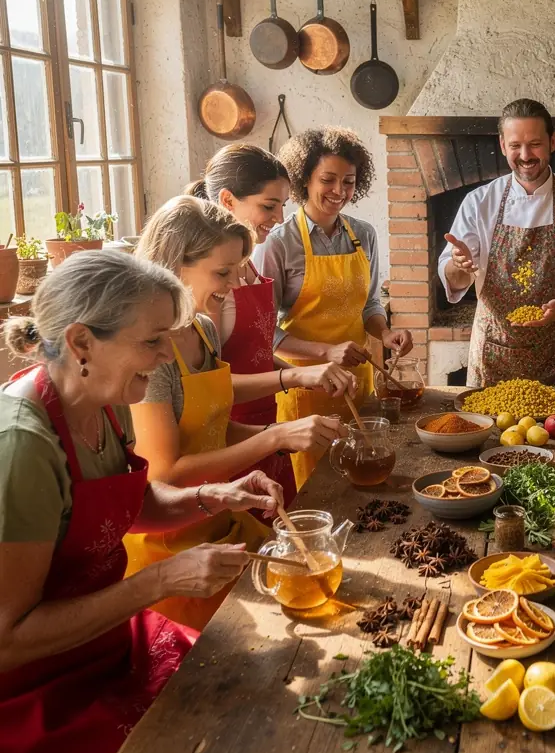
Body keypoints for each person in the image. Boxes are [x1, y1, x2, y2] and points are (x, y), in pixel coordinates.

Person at [0, 250, 283, 753]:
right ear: (82, 341)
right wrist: (160, 581)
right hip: (31, 692)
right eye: (152, 341)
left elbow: (128, 501)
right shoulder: (22, 445)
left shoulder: (103, 401)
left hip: (103, 645)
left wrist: (211, 496)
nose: (163, 357)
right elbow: (9, 638)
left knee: (255, 694)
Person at [129, 196, 344, 629]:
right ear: (175, 266)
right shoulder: (150, 353)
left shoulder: (204, 330)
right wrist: (274, 437)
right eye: (222, 272)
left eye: (237, 270)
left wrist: (279, 432)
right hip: (171, 550)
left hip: (218, 521)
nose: (234, 285)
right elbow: (166, 475)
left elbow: (214, 427)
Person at [187, 143, 357, 506]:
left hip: (268, 422)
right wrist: (295, 376)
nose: (279, 218)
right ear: (228, 200)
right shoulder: (210, 285)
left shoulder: (246, 265)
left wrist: (306, 374)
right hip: (232, 436)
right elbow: (208, 389)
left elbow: (259, 352)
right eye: (268, 206)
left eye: (283, 206)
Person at [253, 127, 413, 488]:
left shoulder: (364, 234)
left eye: (349, 182)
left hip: (357, 382)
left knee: (363, 480)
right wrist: (326, 351)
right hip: (306, 387)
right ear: (304, 179)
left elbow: (370, 304)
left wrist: (386, 333)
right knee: (316, 490)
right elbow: (265, 334)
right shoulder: (277, 243)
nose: (339, 191)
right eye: (328, 179)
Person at [438, 98, 555, 390]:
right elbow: (455, 278)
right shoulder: (479, 203)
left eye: (534, 144)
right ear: (502, 144)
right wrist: (458, 265)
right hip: (495, 353)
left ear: (552, 141)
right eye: (515, 145)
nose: (525, 155)